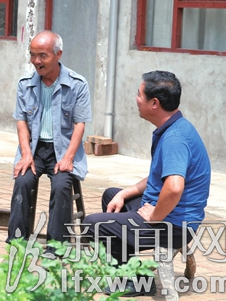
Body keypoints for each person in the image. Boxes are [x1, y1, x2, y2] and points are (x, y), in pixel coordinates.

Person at [82, 71, 210, 296]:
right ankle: (129, 271)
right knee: (112, 196)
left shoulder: (174, 139)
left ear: (154, 103)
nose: (136, 99)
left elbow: (174, 187)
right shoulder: (174, 127)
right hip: (171, 215)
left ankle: (136, 281)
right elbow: (159, 176)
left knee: (93, 224)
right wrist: (125, 193)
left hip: (174, 226)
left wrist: (155, 216)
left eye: (139, 94)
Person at [7, 31, 91, 249]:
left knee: (62, 186)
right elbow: (21, 121)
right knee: (22, 181)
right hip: (35, 149)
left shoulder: (78, 84)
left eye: (42, 55)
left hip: (63, 150)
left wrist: (68, 158)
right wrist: (26, 154)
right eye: (33, 55)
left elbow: (79, 125)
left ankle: (56, 248)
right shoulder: (25, 83)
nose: (36, 61)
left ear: (58, 54)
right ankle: (17, 243)